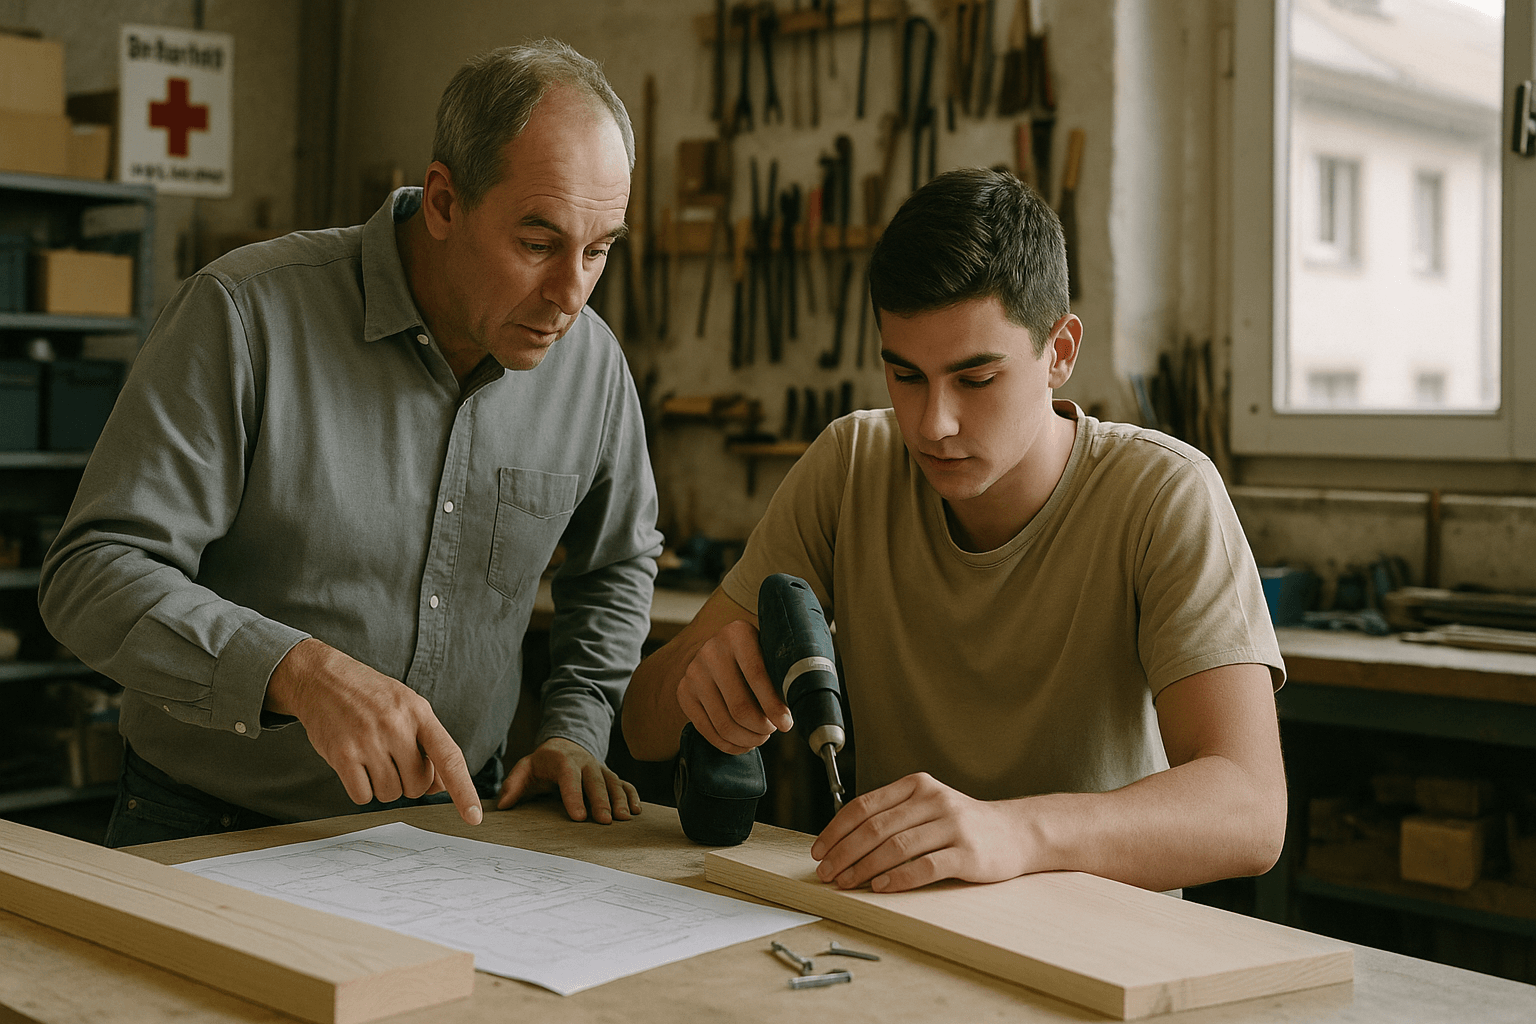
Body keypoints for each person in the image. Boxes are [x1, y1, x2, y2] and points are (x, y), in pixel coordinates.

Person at [40, 41, 664, 846]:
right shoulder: (243, 317)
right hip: (209, 825)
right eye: (538, 245)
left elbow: (617, 564)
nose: (571, 295)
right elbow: (92, 574)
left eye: (600, 249)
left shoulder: (593, 369)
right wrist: (294, 672)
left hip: (457, 832)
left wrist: (573, 728)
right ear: (443, 201)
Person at [623, 167, 1287, 895]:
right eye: (906, 377)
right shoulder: (850, 466)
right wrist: (703, 686)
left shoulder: (1165, 493)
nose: (933, 425)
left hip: (1103, 949)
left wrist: (1017, 832)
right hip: (901, 930)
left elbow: (1251, 812)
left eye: (975, 380)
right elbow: (641, 727)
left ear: (1059, 352)